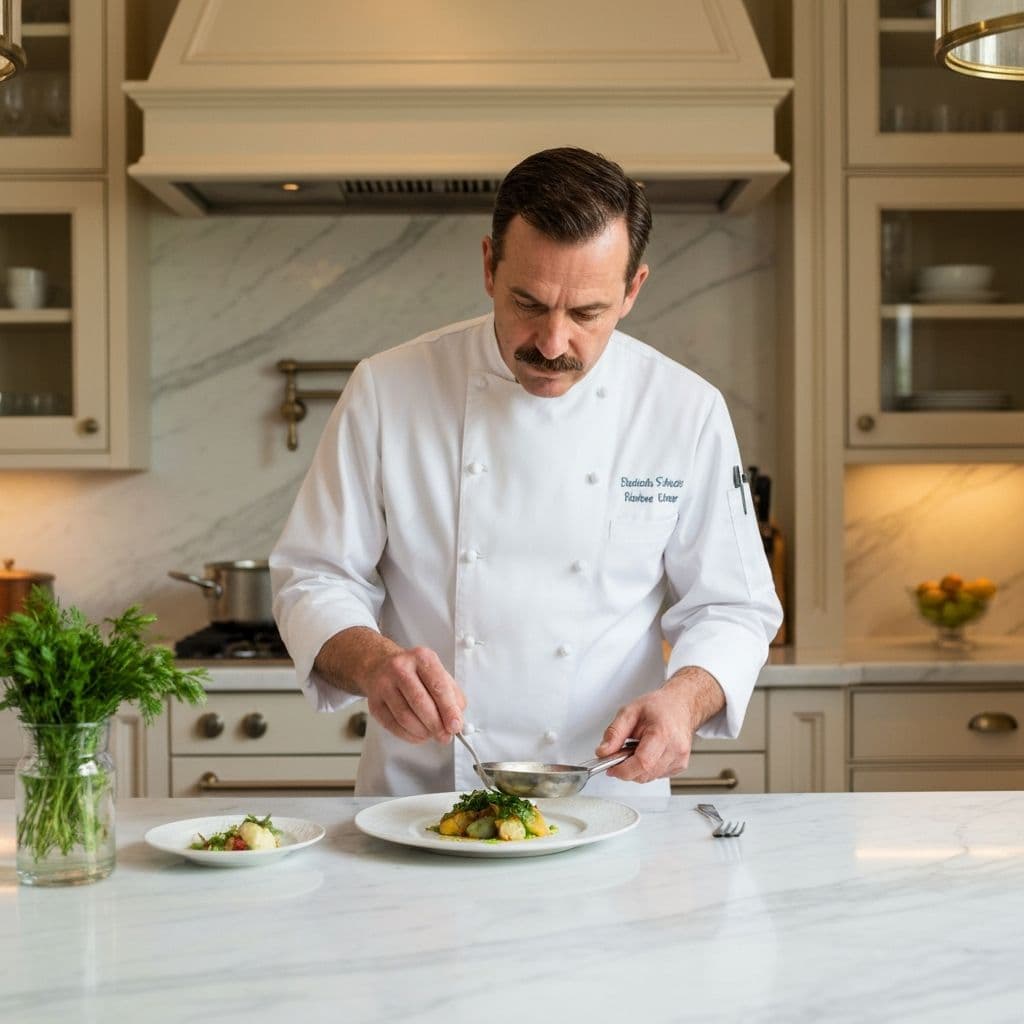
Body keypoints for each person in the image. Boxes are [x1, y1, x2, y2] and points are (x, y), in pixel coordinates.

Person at [269, 147, 783, 798]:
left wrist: (685, 697)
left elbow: (734, 607)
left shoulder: (684, 410)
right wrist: (374, 664)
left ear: (633, 290)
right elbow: (314, 575)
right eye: (529, 303)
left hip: (608, 802)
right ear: (488, 266)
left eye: (586, 313)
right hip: (421, 805)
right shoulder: (388, 389)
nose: (551, 342)